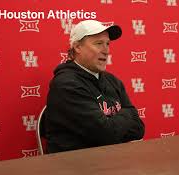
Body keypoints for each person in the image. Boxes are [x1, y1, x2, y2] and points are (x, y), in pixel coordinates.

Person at [44, 20, 145, 153]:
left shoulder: (112, 80)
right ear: (77, 47)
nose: (106, 50)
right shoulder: (66, 84)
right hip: (73, 167)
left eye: (107, 44)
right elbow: (107, 134)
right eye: (98, 44)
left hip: (111, 161)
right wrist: (127, 114)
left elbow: (139, 129)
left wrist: (113, 126)